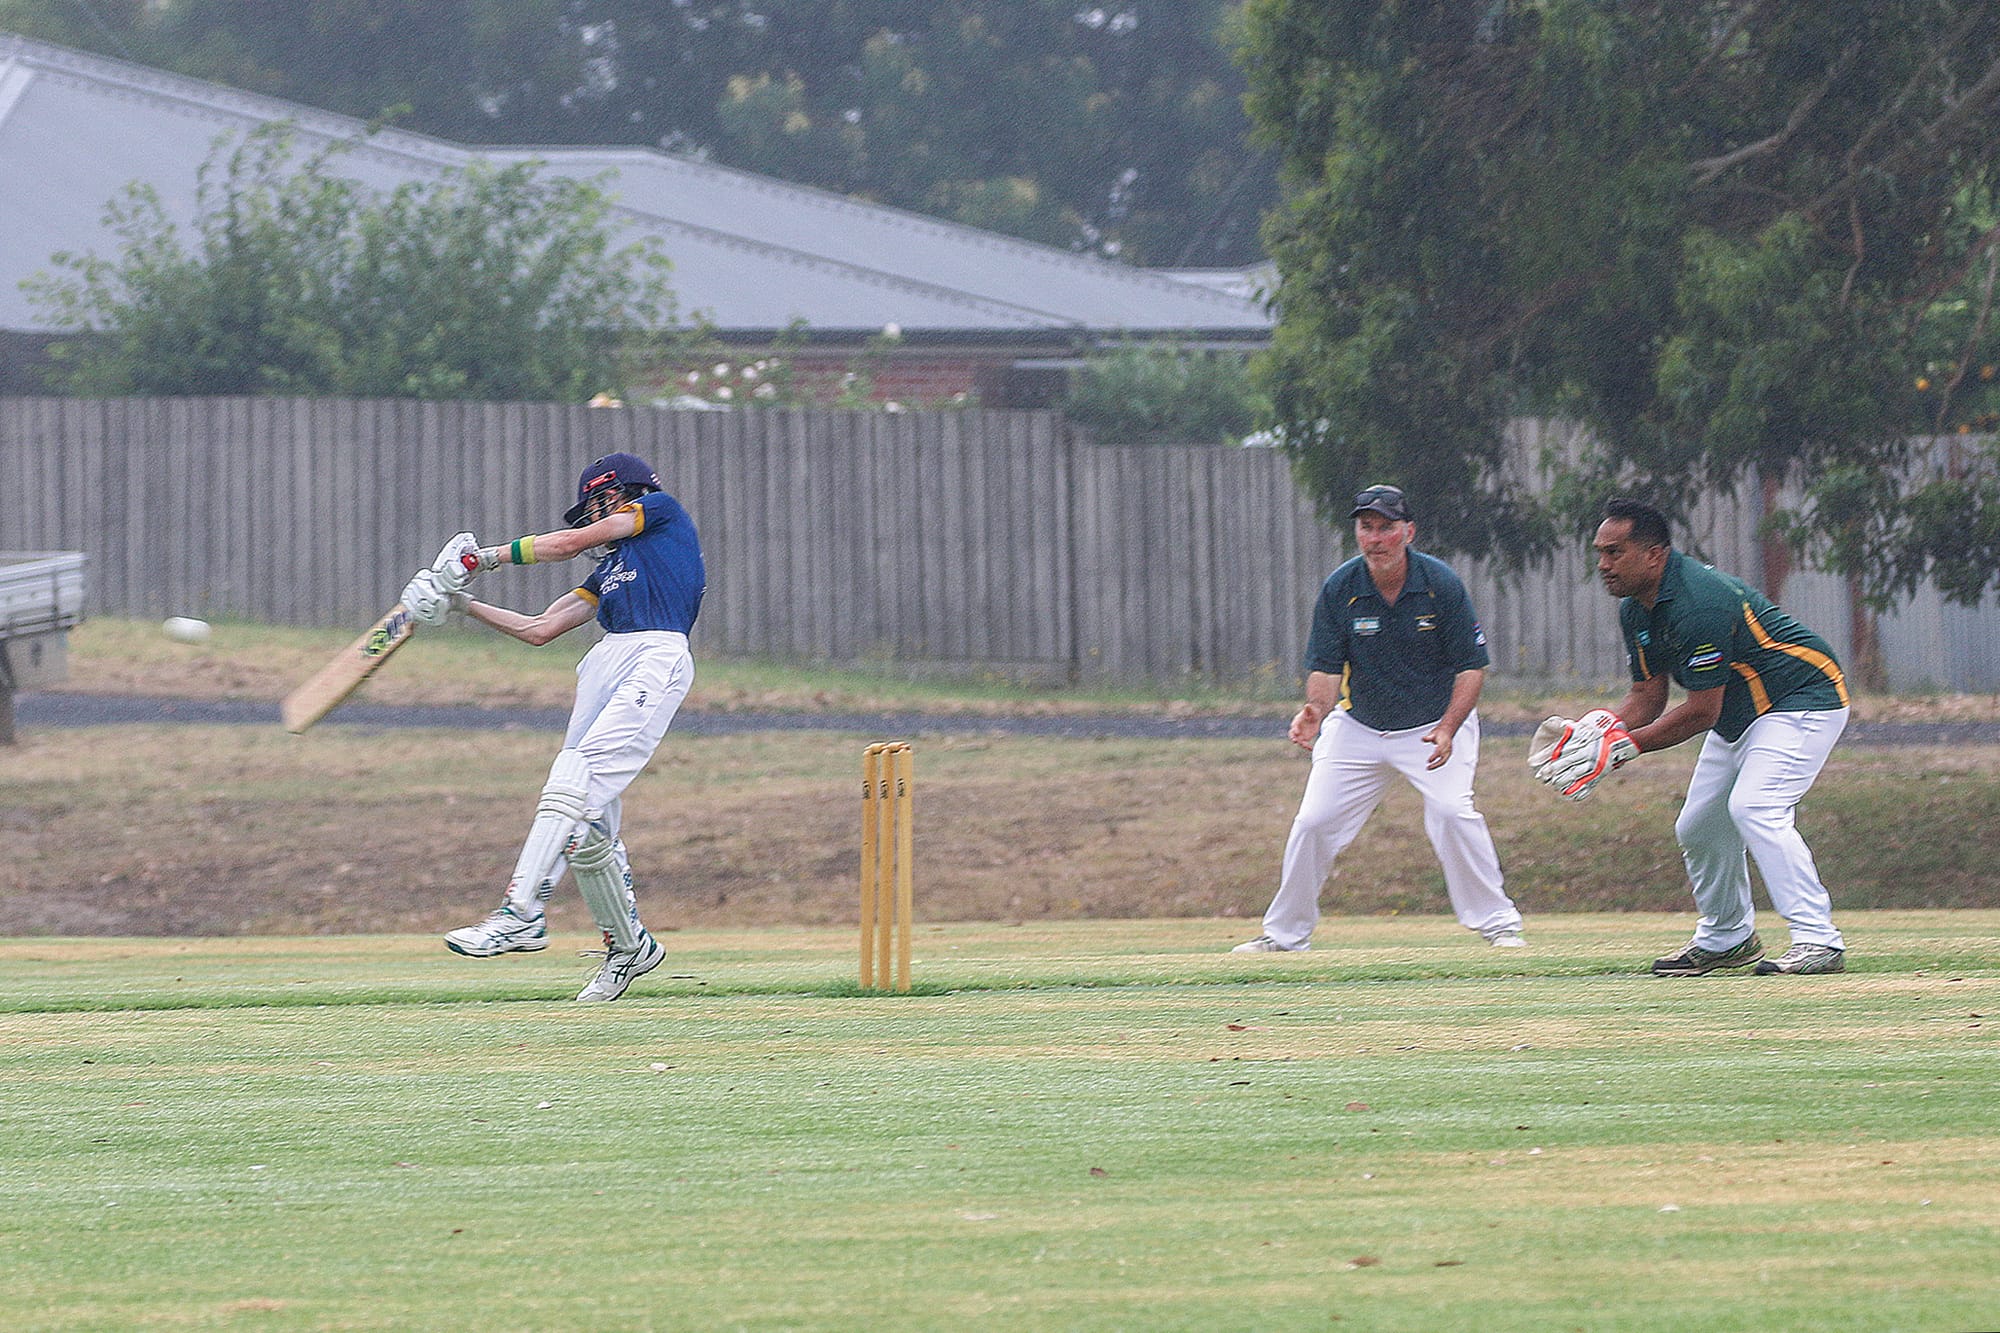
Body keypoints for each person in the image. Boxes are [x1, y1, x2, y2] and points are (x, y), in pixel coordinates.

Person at [398, 451, 705, 1002]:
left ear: (623, 491)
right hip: (607, 660)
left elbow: (566, 544)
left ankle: (521, 913)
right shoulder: (608, 572)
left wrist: (481, 559)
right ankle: (631, 948)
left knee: (574, 778)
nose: (592, 517)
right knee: (589, 826)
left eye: (597, 502)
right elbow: (539, 628)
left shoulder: (661, 511)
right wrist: (459, 603)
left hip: (655, 654)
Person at [1534, 497, 1850, 976]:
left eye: (1615, 552)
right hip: (1742, 712)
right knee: (1699, 826)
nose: (1603, 565)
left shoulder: (1699, 603)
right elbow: (1647, 694)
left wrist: (1624, 748)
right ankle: (1728, 939)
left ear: (1654, 555)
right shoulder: (1636, 609)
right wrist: (1601, 729)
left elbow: (1702, 711)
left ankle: (1818, 941)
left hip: (1802, 697)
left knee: (1756, 807)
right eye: (1600, 552)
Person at [1233, 484, 1524, 953]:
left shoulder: (1440, 583)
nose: (1375, 538)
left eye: (1386, 527)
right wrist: (1315, 711)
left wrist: (1448, 728)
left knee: (1452, 813)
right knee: (1313, 823)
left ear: (1408, 532)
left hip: (1433, 728)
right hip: (1359, 727)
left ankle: (1500, 925)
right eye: (1366, 528)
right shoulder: (1341, 588)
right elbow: (1326, 669)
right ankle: (1284, 936)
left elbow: (1471, 668)